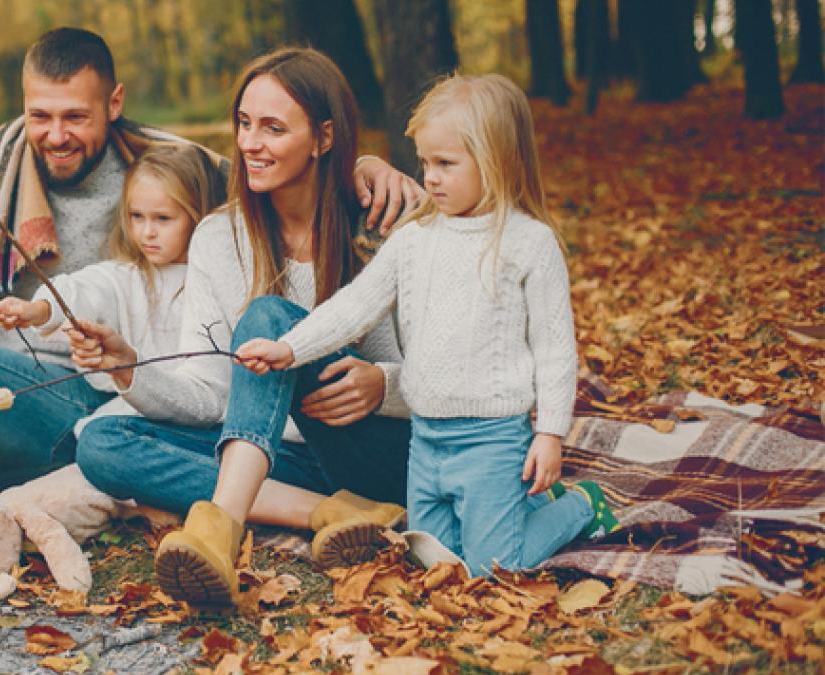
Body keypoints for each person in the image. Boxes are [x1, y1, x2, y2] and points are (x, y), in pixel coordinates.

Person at [0, 28, 422, 488]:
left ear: (114, 103)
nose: (56, 135)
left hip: (78, 390)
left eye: (76, 116)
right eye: (40, 117)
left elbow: (277, 173)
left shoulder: (168, 169)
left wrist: (361, 171)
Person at [73, 47, 420, 608]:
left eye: (274, 128)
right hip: (282, 461)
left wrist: (383, 385)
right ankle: (333, 513)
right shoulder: (219, 238)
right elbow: (211, 395)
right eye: (244, 123)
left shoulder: (379, 221)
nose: (251, 144)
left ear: (324, 138)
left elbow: (453, 373)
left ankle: (222, 529)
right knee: (103, 443)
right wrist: (127, 366)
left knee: (266, 317)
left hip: (376, 446)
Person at [236, 73, 617, 577]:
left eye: (445, 164)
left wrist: (550, 434)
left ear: (496, 162)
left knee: (494, 566)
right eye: (425, 163)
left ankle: (580, 507)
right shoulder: (416, 237)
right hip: (427, 439)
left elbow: (554, 349)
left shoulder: (527, 243)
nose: (429, 178)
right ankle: (519, 513)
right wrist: (290, 349)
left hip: (492, 439)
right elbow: (354, 306)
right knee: (429, 559)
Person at [0, 143, 218, 438]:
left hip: (203, 414)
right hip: (136, 407)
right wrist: (38, 311)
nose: (146, 232)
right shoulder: (127, 276)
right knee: (93, 433)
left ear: (199, 215)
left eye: (163, 218)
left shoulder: (216, 280)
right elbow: (84, 290)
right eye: (137, 216)